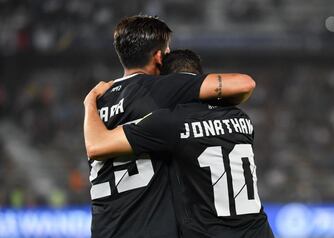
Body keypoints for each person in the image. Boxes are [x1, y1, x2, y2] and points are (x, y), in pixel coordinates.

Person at [87, 16, 255, 238]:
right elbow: (244, 84)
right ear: (158, 56)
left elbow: (94, 145)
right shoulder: (162, 88)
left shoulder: (100, 100)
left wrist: (88, 102)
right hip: (147, 226)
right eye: (166, 50)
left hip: (104, 227)